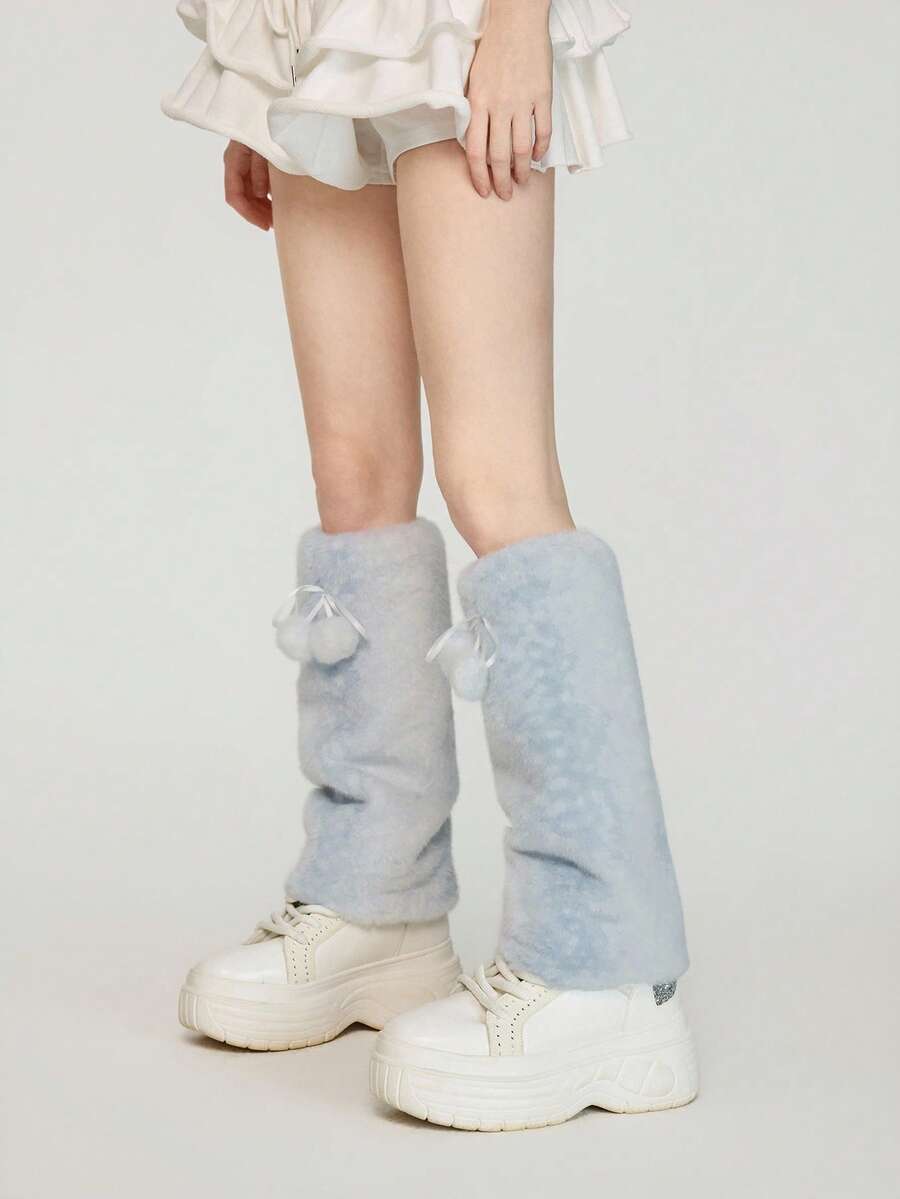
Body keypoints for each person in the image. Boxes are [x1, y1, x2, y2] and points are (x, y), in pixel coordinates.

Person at [163, 0, 698, 1130]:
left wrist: (517, 25)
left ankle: (608, 966)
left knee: (497, 476)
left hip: (457, 18)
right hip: (317, 26)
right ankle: (381, 901)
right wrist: (255, 72)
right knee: (352, 473)